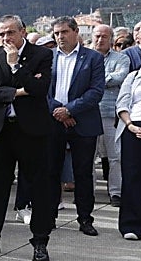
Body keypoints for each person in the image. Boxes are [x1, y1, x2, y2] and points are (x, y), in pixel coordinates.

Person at [0, 15, 54, 261]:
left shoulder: (41, 55)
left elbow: (39, 89)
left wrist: (16, 65)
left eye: (10, 33)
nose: (6, 38)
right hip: (0, 130)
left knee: (39, 188)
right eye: (2, 33)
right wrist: (16, 92)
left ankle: (40, 241)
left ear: (23, 32)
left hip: (31, 131)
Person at [44, 16, 105, 237]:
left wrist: (70, 110)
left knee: (83, 173)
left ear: (76, 31)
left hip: (82, 122)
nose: (60, 37)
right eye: (56, 33)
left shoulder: (93, 58)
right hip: (53, 122)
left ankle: (85, 218)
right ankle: (48, 216)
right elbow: (43, 90)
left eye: (64, 32)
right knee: (51, 171)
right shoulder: (48, 57)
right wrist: (58, 112)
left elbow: (96, 91)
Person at [90, 24, 131, 205]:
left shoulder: (121, 58)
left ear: (111, 39)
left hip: (109, 113)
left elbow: (120, 77)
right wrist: (105, 79)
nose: (100, 40)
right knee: (88, 156)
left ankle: (116, 192)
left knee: (115, 156)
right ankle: (87, 192)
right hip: (88, 112)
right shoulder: (85, 56)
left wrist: (94, 79)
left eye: (104, 37)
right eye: (97, 36)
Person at [115, 37, 141, 240]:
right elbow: (122, 103)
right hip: (134, 128)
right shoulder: (133, 76)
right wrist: (130, 125)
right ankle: (132, 225)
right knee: (132, 177)